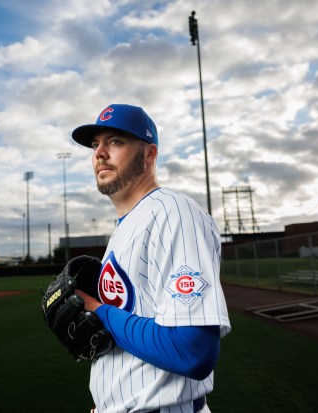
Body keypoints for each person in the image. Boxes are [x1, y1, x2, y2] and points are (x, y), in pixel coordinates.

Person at [71, 103, 231, 413]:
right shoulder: (125, 227)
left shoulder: (174, 213)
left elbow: (192, 351)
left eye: (115, 141)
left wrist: (99, 311)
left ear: (150, 155)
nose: (99, 153)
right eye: (95, 144)